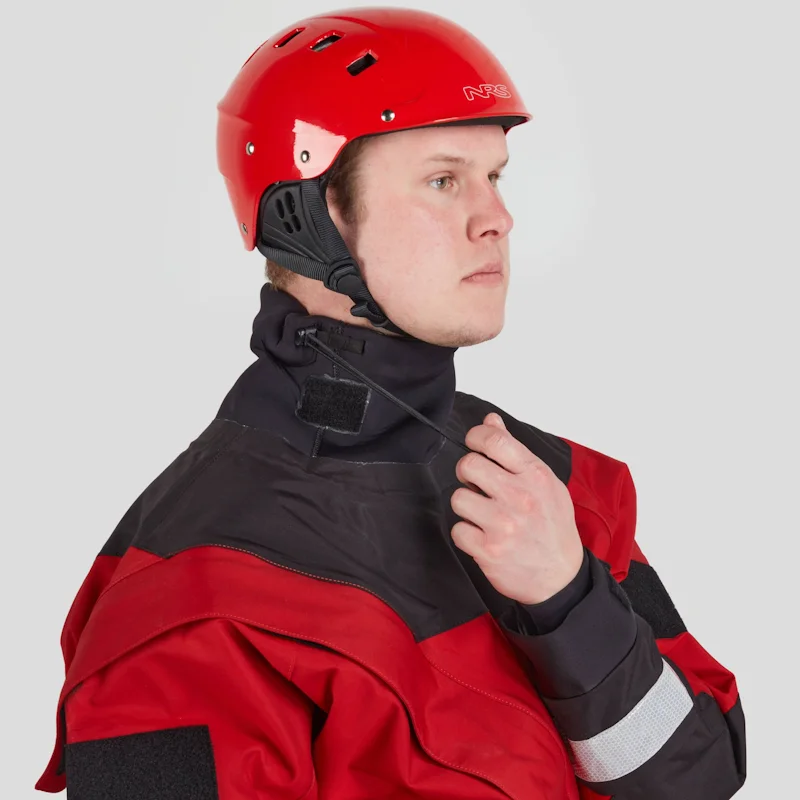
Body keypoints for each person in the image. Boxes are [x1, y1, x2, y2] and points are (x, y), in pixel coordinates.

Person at [36, 7, 746, 799]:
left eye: (495, 177)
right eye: (444, 181)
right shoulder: (196, 593)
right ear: (308, 217)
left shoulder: (546, 486)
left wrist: (568, 603)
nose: (497, 219)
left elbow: (701, 777)